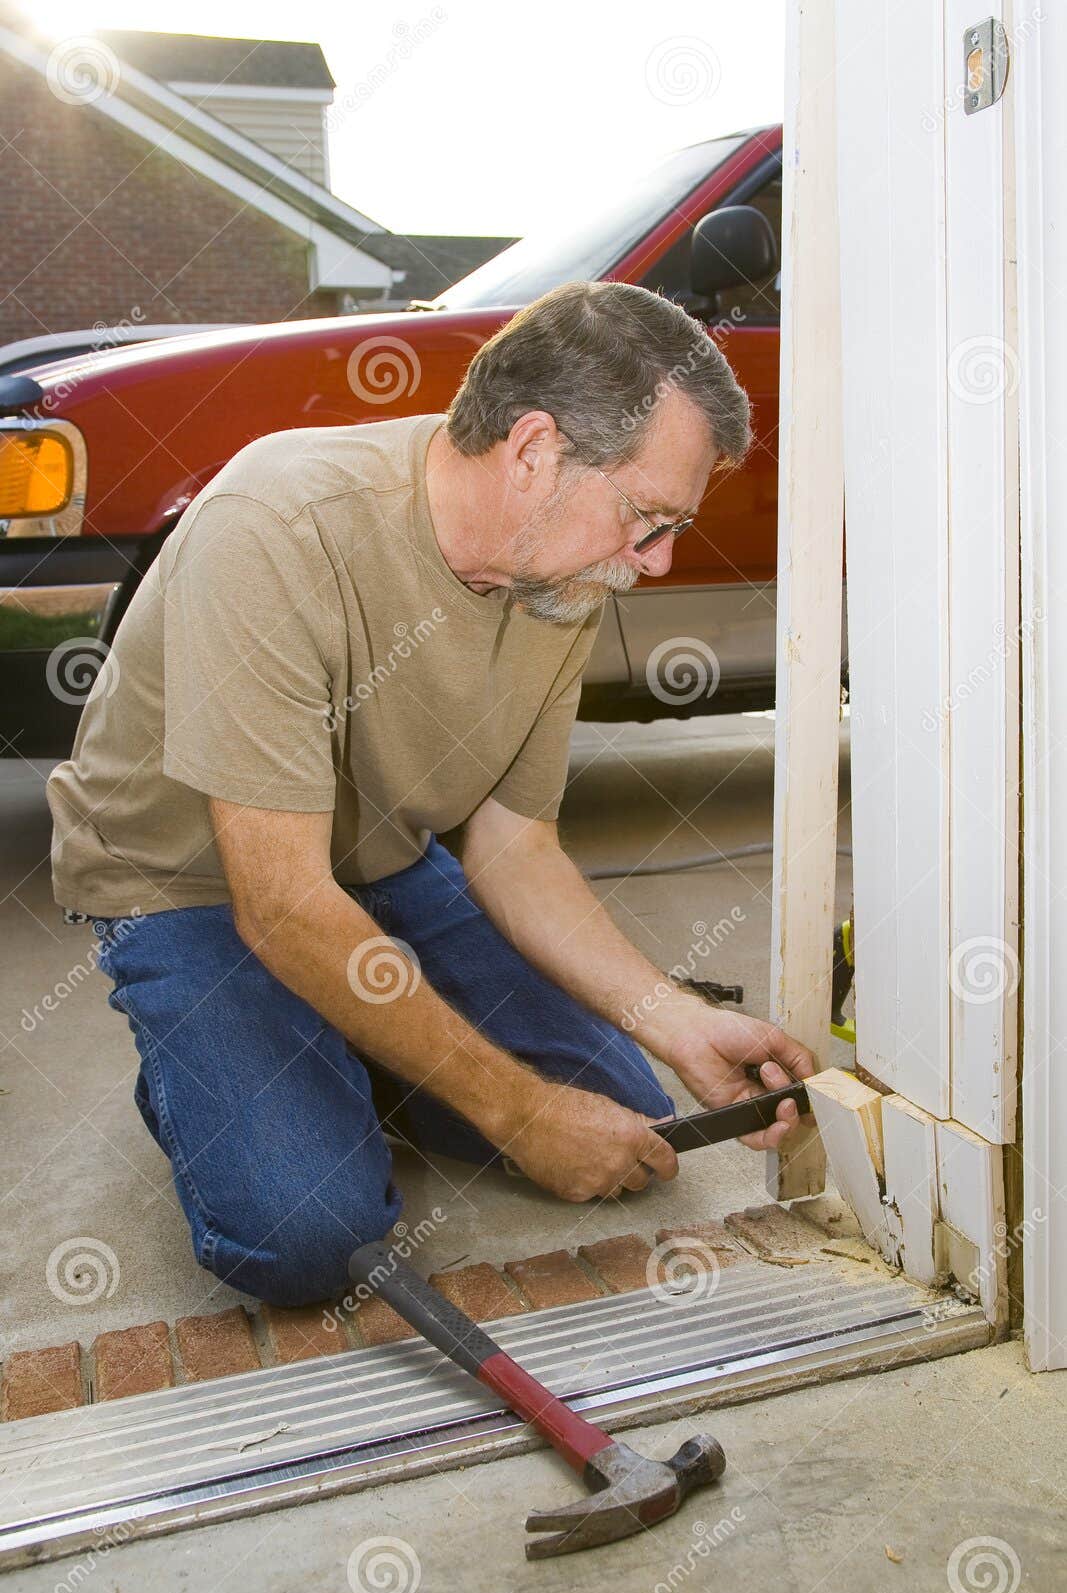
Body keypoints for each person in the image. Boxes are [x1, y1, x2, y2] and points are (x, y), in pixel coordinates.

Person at [46, 280, 815, 1308]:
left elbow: (513, 849)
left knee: (625, 1117)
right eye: (646, 516)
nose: (657, 560)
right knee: (306, 1232)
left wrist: (676, 1024)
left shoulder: (562, 567)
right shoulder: (277, 523)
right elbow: (279, 902)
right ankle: (224, 1064)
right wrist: (515, 1114)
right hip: (188, 886)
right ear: (534, 449)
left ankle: (340, 1047)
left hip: (378, 862)